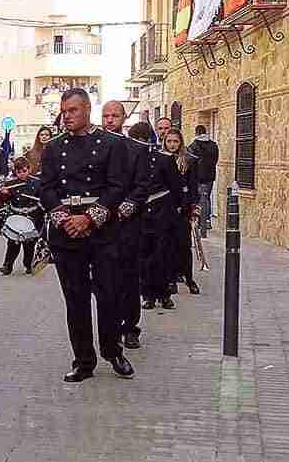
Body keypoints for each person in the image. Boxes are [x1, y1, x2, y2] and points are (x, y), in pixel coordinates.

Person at [39, 88, 134, 383]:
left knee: (108, 295)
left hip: (101, 230)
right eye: (63, 111)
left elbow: (117, 185)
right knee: (75, 299)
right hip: (66, 231)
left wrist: (89, 218)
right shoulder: (54, 148)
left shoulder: (111, 144)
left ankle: (112, 350)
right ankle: (83, 360)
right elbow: (46, 187)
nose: (66, 117)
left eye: (72, 111)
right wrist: (63, 217)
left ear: (87, 110)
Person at [102, 101, 150, 350]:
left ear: (123, 118)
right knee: (105, 280)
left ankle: (130, 327)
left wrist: (129, 205)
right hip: (100, 224)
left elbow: (143, 185)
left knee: (129, 277)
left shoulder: (137, 149)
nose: (110, 120)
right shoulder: (94, 147)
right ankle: (109, 327)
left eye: (115, 115)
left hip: (128, 223)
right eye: (106, 115)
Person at [130, 122, 185, 310]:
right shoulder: (128, 161)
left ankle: (164, 294)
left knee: (163, 255)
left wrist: (175, 210)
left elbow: (177, 189)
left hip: (163, 213)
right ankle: (147, 294)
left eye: (140, 140)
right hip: (141, 214)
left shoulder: (163, 160)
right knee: (143, 256)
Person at [166, 129, 202, 296]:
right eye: (169, 141)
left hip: (184, 208)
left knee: (184, 246)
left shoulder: (189, 161)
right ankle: (171, 279)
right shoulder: (161, 159)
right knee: (169, 247)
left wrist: (194, 206)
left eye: (175, 141)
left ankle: (189, 279)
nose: (172, 144)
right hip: (166, 209)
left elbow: (193, 186)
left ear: (180, 142)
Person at [0, 156, 43, 276]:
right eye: (18, 172)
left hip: (32, 215)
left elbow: (42, 199)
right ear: (15, 172)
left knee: (29, 243)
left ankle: (28, 264)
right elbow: (3, 201)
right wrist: (4, 194)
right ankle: (7, 265)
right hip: (16, 214)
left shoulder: (37, 182)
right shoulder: (10, 183)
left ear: (29, 169)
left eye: (24, 171)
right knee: (13, 242)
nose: (22, 174)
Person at [188, 125, 219, 238]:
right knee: (206, 198)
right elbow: (215, 160)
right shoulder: (214, 145)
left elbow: (190, 162)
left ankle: (201, 221)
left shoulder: (193, 145)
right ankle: (207, 220)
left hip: (197, 176)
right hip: (210, 176)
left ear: (196, 133)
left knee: (199, 199)